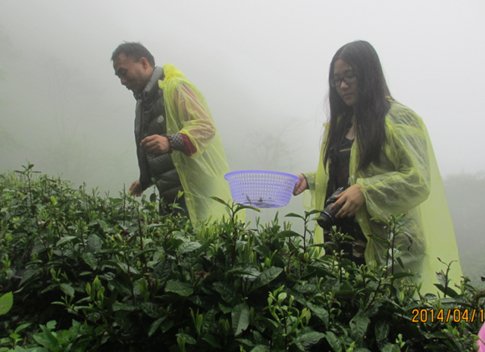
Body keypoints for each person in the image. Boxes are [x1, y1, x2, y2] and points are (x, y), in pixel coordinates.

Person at [293, 40, 462, 292]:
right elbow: (346, 173)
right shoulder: (341, 123)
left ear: (368, 74)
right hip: (340, 244)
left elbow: (418, 179)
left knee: (386, 325)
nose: (342, 85)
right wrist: (309, 179)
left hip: (388, 249)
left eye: (350, 76)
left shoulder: (398, 118)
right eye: (336, 79)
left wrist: (366, 191)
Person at [111, 42, 233, 223]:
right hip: (169, 194)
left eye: (124, 72)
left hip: (192, 194)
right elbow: (153, 148)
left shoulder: (175, 87)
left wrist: (171, 141)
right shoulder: (144, 100)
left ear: (144, 63)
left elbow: (205, 128)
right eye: (118, 75)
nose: (122, 81)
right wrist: (145, 180)